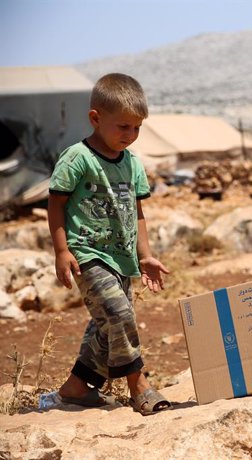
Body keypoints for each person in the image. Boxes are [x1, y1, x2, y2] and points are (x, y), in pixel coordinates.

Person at [48, 73, 172, 416]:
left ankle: (76, 387)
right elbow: (56, 204)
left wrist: (145, 255)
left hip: (122, 259)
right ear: (95, 118)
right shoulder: (78, 158)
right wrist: (62, 250)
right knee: (119, 314)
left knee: (107, 324)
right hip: (87, 255)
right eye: (122, 127)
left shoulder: (133, 164)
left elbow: (138, 211)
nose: (130, 136)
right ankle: (138, 385)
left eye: (136, 128)